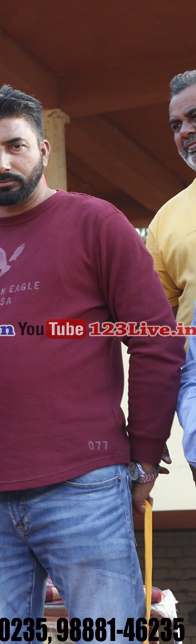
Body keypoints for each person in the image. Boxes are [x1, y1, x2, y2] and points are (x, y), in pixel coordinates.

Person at [0, 84, 183, 625]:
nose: (1, 163)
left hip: (85, 486)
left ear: (43, 150)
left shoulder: (97, 223)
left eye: (16, 146)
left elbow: (156, 339)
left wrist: (146, 455)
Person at [151, 71, 196, 486]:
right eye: (176, 125)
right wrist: (154, 420)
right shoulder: (167, 219)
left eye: (194, 117)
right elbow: (158, 332)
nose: (185, 132)